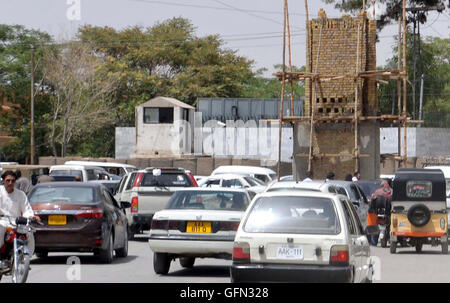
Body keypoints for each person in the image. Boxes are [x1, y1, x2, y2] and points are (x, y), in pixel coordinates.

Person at [0, 171, 40, 265]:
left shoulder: (20, 194)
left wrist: (31, 216)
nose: (10, 183)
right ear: (4, 181)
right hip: (2, 221)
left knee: (29, 232)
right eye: (8, 180)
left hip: (16, 222)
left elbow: (26, 209)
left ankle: (26, 258)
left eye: (12, 181)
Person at [367, 180, 392, 246]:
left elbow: (372, 201)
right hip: (387, 213)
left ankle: (373, 242)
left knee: (373, 226)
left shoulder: (377, 192)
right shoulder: (392, 191)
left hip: (377, 212)